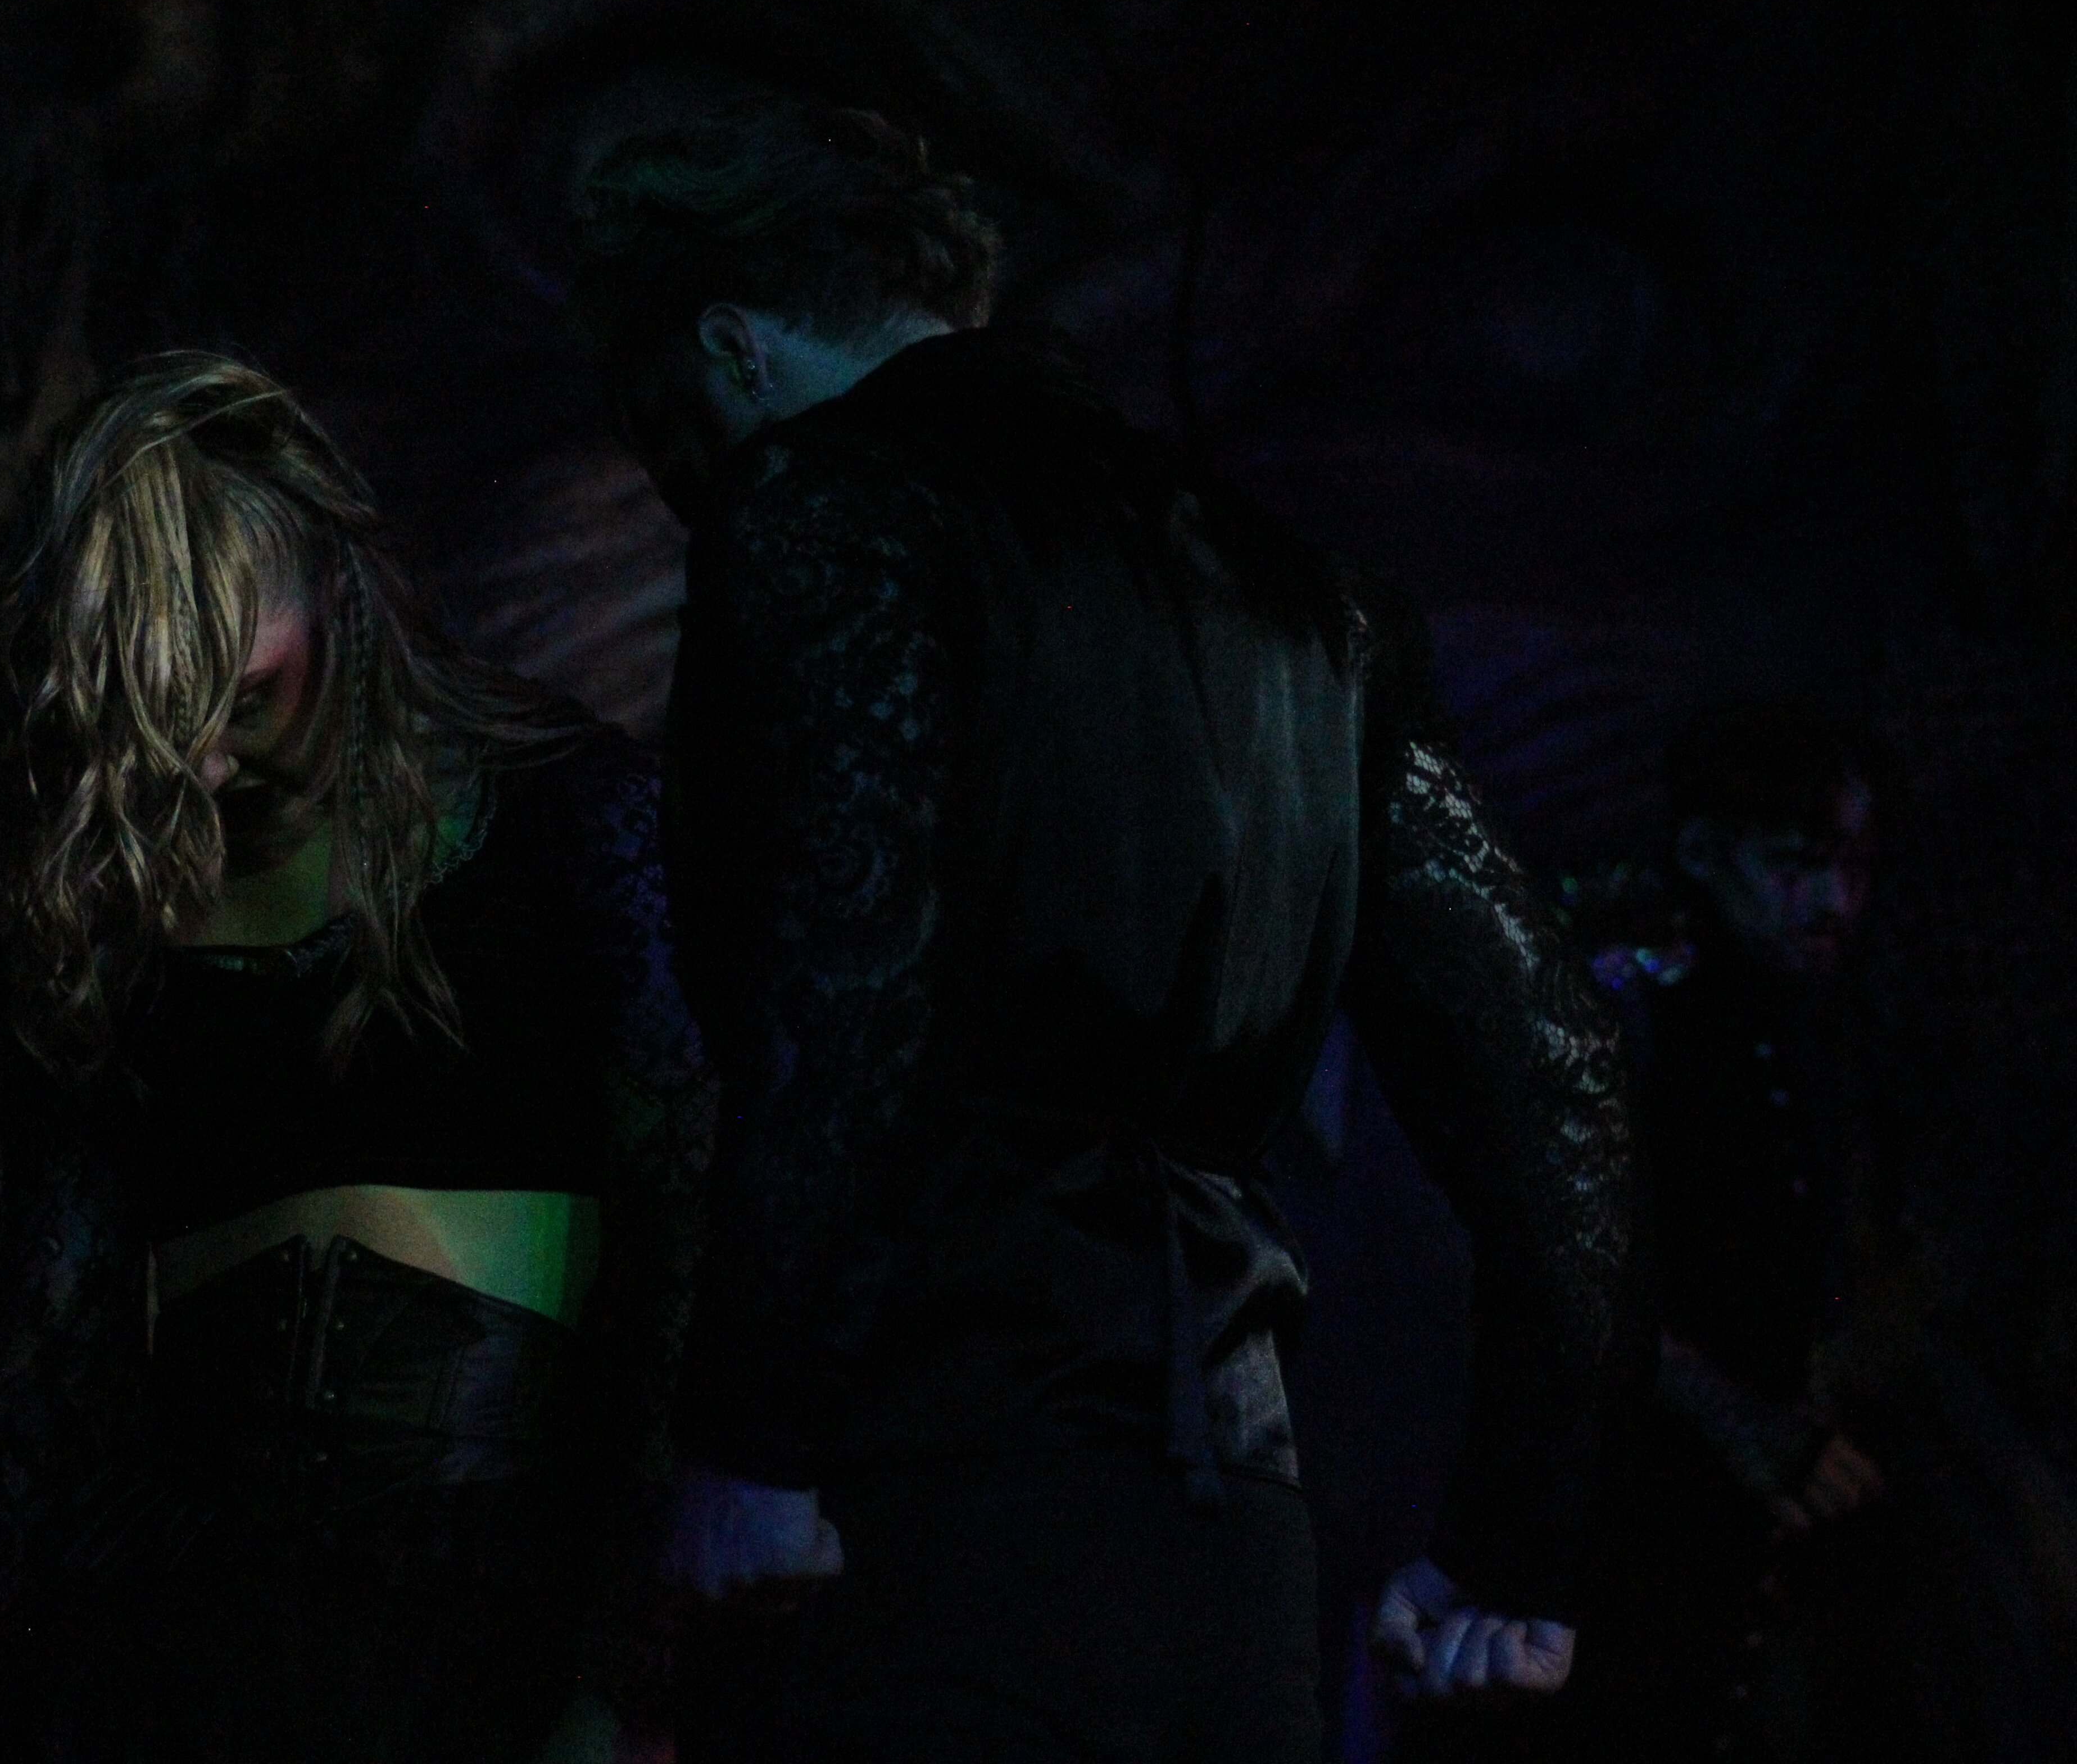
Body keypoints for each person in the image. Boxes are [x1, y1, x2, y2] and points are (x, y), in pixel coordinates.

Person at [567, 101, 1645, 1762]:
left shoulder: (827, 509)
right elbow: (1563, 1089)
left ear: (733, 346)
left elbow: (845, 1001)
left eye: (674, 439)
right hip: (1231, 1552)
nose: (688, 492)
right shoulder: (1312, 605)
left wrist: (752, 1441)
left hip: (921, 1513)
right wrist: (1516, 1544)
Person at [0, 356, 714, 1763]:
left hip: (508, 1621)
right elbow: (54, 1363)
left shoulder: (571, 827)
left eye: (239, 699)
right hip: (186, 1648)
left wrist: (634, 1667)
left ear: (334, 581)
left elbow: (692, 1246)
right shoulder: (110, 925)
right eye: (152, 712)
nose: (202, 764)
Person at [1527, 704, 1914, 1763]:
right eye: (1798, 864)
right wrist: (1740, 1421)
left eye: (1856, 867)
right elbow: (1557, 1274)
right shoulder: (1624, 1016)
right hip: (1632, 1523)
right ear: (1705, 852)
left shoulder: (1816, 1023)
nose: (1837, 901)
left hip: (1763, 1518)